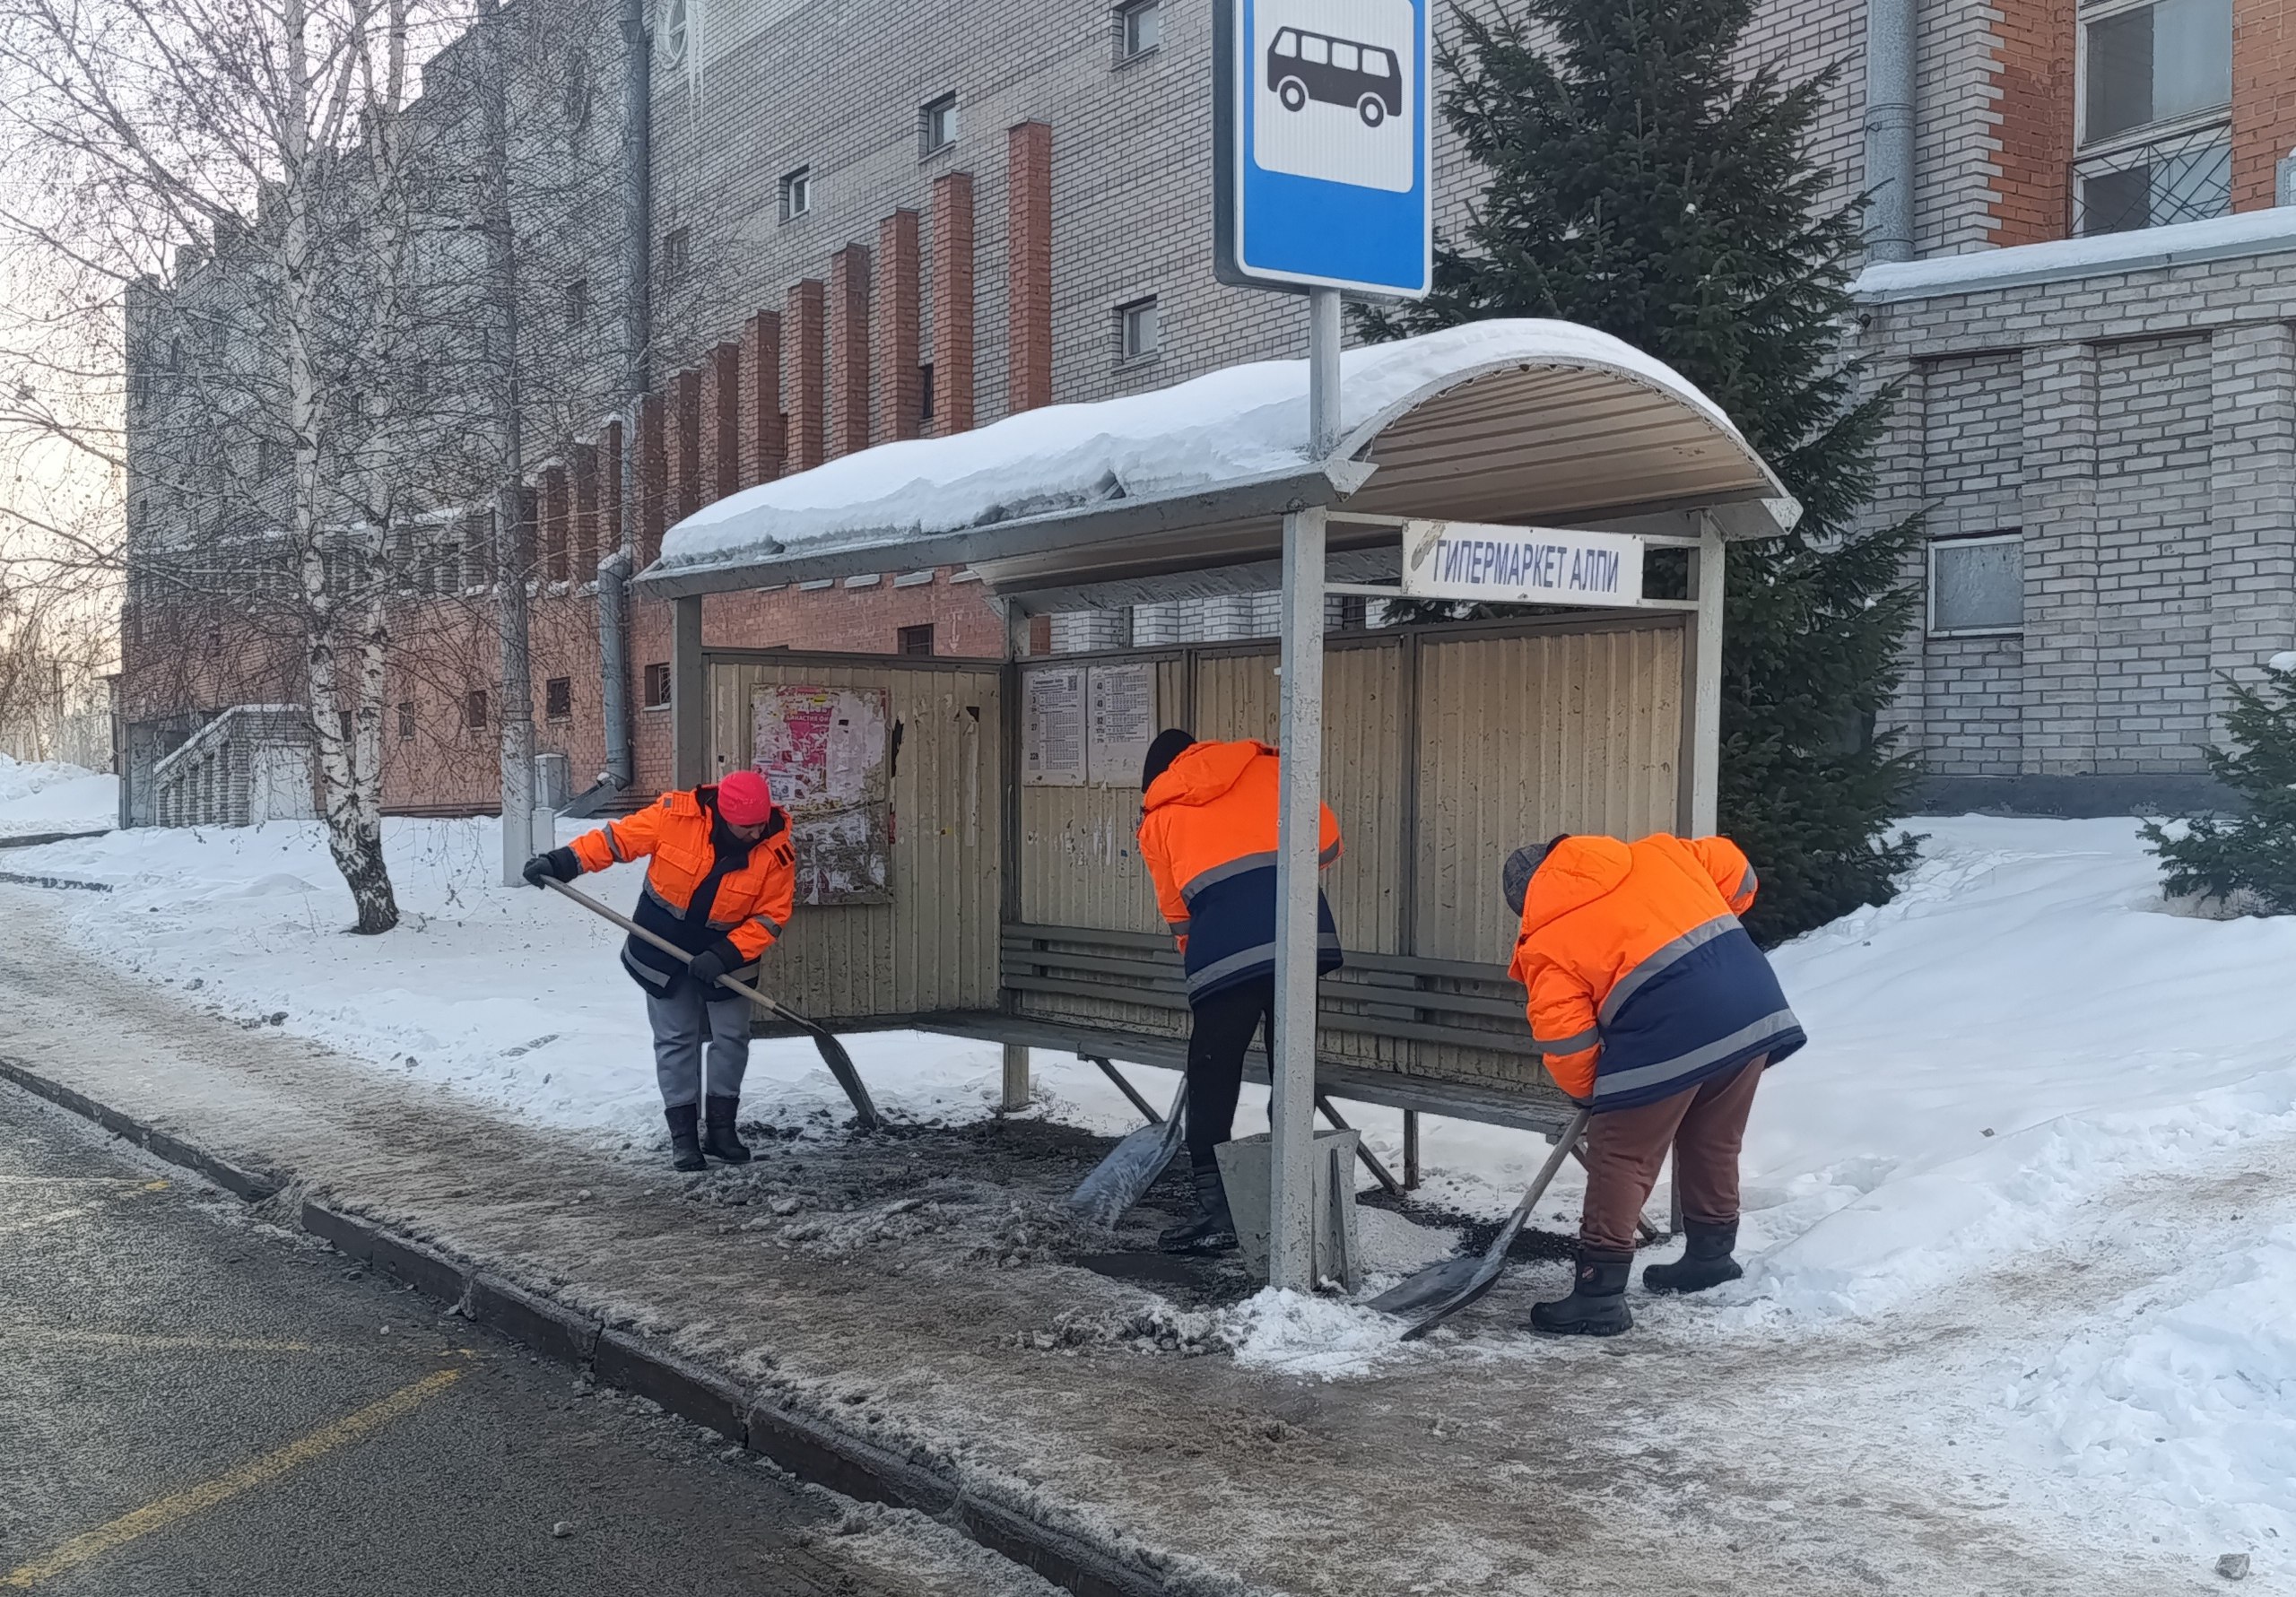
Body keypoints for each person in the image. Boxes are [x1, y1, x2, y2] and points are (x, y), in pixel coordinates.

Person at [1501, 831, 1805, 1336]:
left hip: (1668, 1027)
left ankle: (1598, 1297)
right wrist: (1703, 922)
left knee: (1621, 1156)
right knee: (1714, 1140)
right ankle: (1710, 1260)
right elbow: (1737, 870)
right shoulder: (1658, 853)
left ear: (1527, 901)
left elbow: (1568, 1039)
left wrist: (1591, 1096)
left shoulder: (1549, 940)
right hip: (1751, 1002)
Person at [523, 769, 796, 1173]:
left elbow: (771, 917)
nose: (754, 834)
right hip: (661, 945)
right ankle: (683, 1137)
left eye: (759, 825)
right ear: (723, 815)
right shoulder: (675, 816)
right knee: (675, 1038)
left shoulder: (776, 851)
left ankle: (722, 1130)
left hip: (727, 956)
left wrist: (724, 954)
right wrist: (562, 861)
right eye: (745, 827)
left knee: (732, 1038)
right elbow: (616, 842)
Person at [1135, 728, 1343, 1253]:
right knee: (1291, 1065)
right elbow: (1328, 845)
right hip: (1300, 936)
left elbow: (1177, 913)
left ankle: (1217, 1206)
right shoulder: (1272, 769)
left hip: (1225, 952)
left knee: (1213, 1069)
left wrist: (1201, 955)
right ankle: (1290, 1192)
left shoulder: (1159, 816)